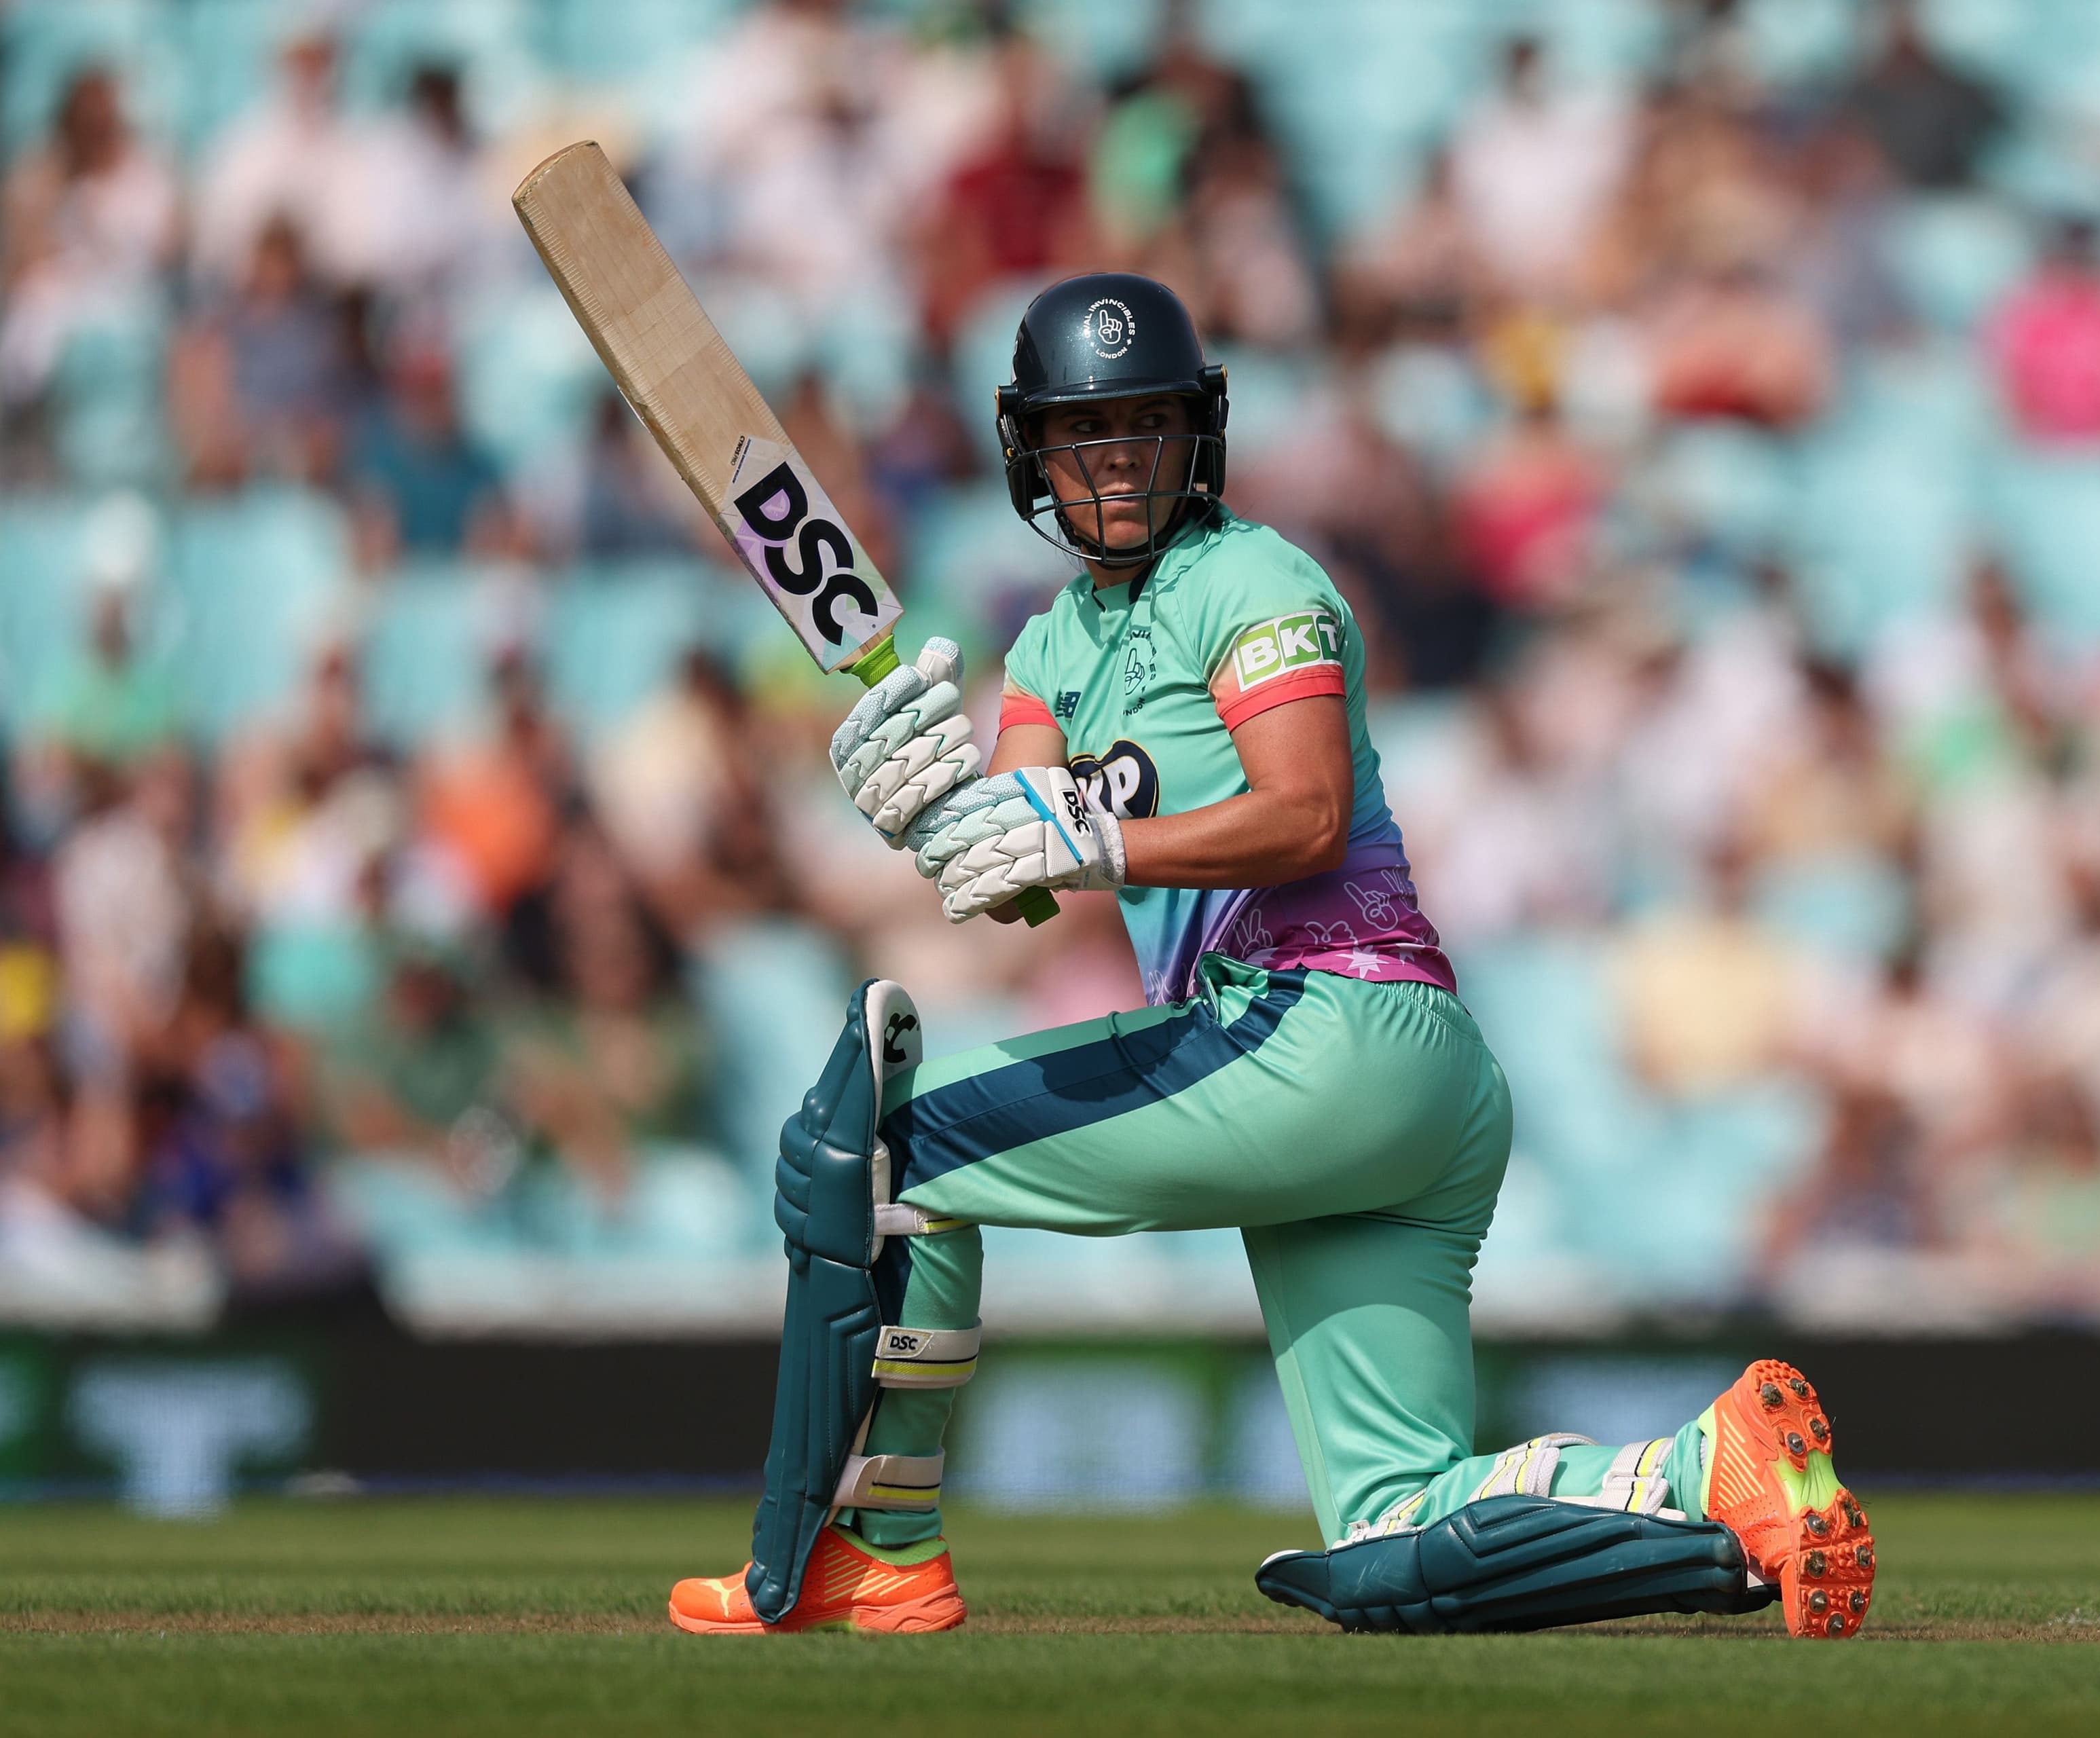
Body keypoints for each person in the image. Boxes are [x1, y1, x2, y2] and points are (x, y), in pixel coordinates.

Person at [663, 274, 1878, 1639]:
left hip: (1330, 1027)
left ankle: (879, 1547)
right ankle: (1721, 1484)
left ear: (1199, 435)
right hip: (1364, 1086)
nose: (1117, 461)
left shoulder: (1254, 578)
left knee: (900, 1148)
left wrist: (1078, 831)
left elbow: (1299, 815)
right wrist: (927, 817)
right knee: (1400, 1522)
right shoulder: (1051, 649)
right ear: (1031, 451)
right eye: (1086, 433)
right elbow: (1015, 889)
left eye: (1144, 427)